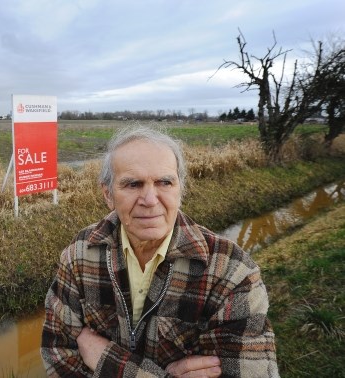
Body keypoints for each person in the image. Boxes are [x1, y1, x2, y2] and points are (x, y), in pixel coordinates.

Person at [40, 126, 279, 377]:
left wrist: (106, 359)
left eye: (165, 182)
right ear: (108, 194)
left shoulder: (232, 273)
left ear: (180, 190)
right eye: (133, 184)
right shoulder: (80, 254)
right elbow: (58, 354)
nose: (150, 199)